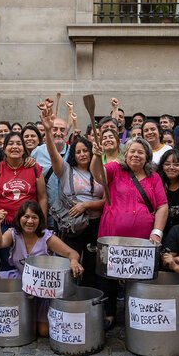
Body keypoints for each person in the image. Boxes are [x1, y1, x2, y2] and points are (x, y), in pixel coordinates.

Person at [90, 135, 168, 326]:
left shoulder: (154, 177)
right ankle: (109, 314)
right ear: (125, 154)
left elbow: (162, 206)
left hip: (141, 240)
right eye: (132, 151)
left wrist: (157, 232)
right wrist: (95, 157)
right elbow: (98, 175)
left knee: (137, 278)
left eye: (140, 152)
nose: (136, 155)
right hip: (112, 235)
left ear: (147, 157)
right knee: (108, 277)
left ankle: (136, 315)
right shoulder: (116, 169)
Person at [0, 201, 83, 335]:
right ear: (19, 218)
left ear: (40, 220)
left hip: (42, 290)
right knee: (20, 326)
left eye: (34, 217)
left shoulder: (46, 237)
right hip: (20, 285)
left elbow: (72, 253)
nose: (30, 221)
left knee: (43, 332)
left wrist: (73, 261)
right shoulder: (13, 234)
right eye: (26, 217)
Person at [41, 109, 104, 289]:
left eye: (86, 150)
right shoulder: (66, 170)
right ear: (73, 155)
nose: (83, 154)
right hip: (72, 225)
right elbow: (53, 154)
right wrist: (47, 132)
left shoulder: (101, 172)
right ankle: (67, 297)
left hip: (95, 224)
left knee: (92, 265)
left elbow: (107, 201)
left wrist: (86, 205)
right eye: (78, 152)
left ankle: (89, 299)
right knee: (69, 262)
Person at [0, 132, 46, 268]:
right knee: (8, 262)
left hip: (30, 224)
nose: (15, 147)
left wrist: (43, 222)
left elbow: (42, 198)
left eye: (19, 144)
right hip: (5, 225)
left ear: (24, 149)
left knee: (30, 263)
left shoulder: (34, 168)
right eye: (10, 144)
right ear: (4, 149)